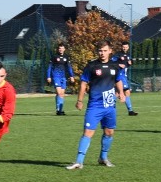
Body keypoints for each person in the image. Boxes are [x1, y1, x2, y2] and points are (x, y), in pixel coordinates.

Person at [66, 40, 125, 170]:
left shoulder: (115, 66)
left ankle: (103, 158)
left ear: (110, 51)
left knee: (109, 132)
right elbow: (83, 83)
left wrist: (121, 92)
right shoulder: (91, 66)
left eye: (105, 50)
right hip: (95, 105)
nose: (102, 53)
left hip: (109, 105)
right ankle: (79, 161)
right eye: (100, 51)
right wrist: (80, 100)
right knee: (88, 132)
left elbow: (118, 80)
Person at [46, 43, 75, 115]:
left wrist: (72, 76)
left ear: (64, 49)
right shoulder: (54, 57)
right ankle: (58, 110)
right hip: (56, 76)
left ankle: (60, 110)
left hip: (63, 77)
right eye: (59, 48)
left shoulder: (66, 57)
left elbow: (69, 67)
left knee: (62, 94)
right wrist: (48, 76)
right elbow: (49, 67)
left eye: (62, 48)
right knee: (59, 93)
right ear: (57, 49)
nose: (61, 49)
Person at [113, 40, 137, 116]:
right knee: (126, 92)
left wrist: (130, 63)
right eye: (123, 47)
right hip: (120, 75)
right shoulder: (117, 54)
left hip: (124, 76)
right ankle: (130, 111)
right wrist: (118, 65)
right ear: (121, 47)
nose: (124, 48)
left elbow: (127, 64)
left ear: (128, 47)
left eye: (126, 47)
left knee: (117, 93)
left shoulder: (128, 55)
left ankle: (108, 108)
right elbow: (111, 62)